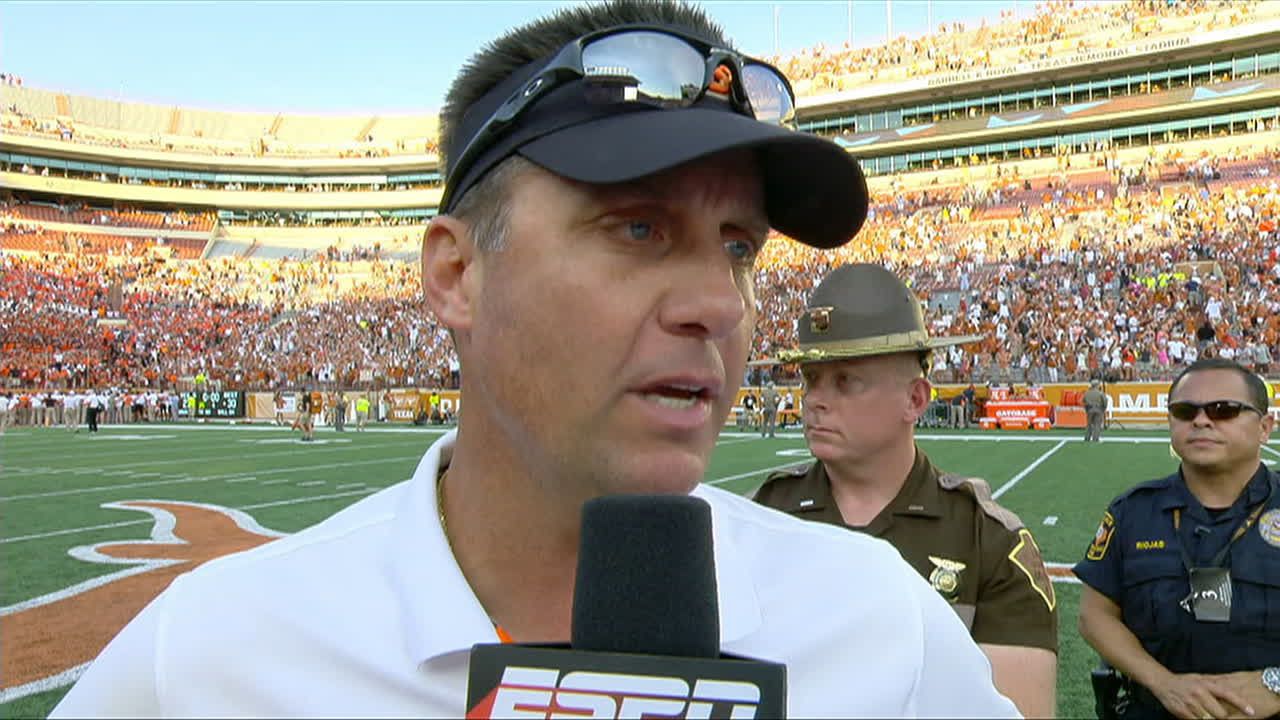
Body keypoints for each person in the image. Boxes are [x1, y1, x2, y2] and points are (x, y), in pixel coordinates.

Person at [51, 2, 1015, 716]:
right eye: (638, 227)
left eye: (739, 248)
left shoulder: (881, 633)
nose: (721, 304)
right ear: (457, 273)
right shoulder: (211, 660)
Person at [753, 263, 1058, 718]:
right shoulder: (766, 518)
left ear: (915, 400)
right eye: (810, 379)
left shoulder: (990, 543)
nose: (814, 399)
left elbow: (1019, 710)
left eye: (845, 381)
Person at [1075, 358, 1280, 720]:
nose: (1201, 420)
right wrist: (1163, 683)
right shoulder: (1133, 512)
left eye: (1224, 410)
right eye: (1185, 411)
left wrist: (1275, 684)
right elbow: (1095, 616)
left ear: (1265, 427)